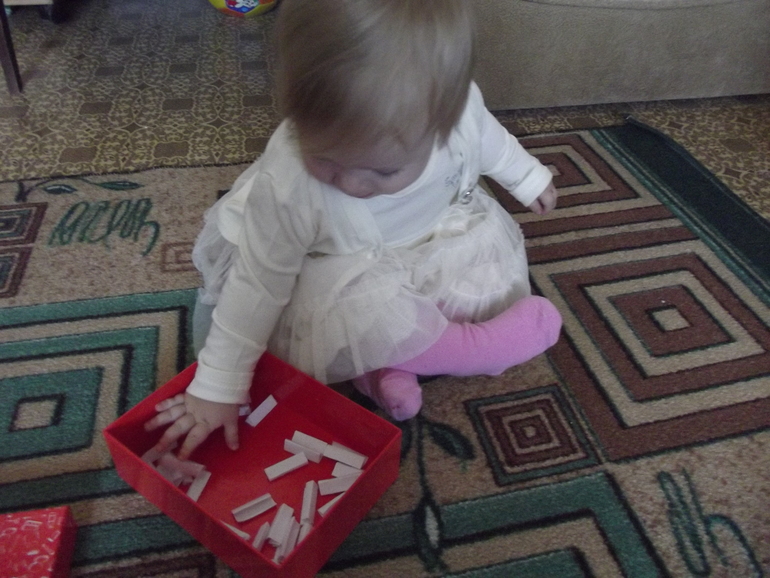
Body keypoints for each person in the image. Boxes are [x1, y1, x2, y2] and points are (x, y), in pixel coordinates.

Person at [145, 0, 562, 460]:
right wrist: (218, 384)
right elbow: (258, 283)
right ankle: (473, 350)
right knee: (348, 314)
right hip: (335, 263)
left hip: (432, 235)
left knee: (487, 278)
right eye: (324, 158)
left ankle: (382, 367)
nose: (352, 185)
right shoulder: (290, 186)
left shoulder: (459, 109)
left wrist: (526, 176)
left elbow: (490, 140)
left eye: (383, 171)